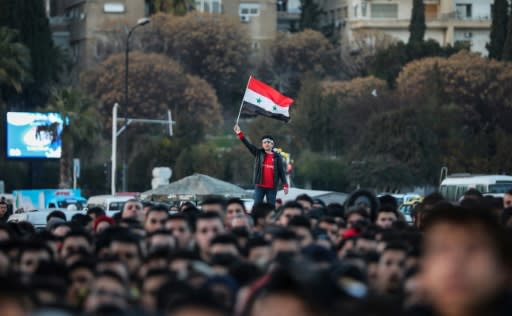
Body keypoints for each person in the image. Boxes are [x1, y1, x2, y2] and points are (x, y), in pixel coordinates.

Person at [234, 125, 288, 206]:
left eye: (269, 142)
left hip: (272, 188)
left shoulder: (277, 157)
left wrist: (285, 185)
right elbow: (248, 145)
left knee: (270, 208)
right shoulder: (258, 153)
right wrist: (239, 133)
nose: (267, 144)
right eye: (265, 142)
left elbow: (281, 172)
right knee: (257, 206)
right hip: (260, 186)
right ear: (262, 144)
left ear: (272, 144)